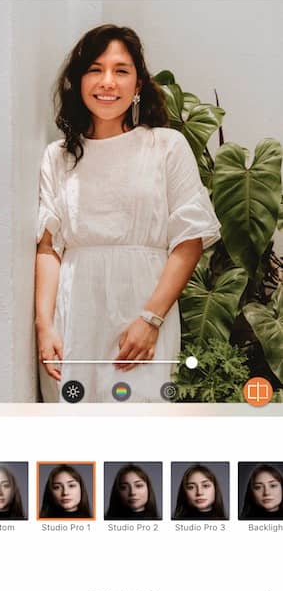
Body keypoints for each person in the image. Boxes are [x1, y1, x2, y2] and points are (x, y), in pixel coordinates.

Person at [36, 24, 220, 403]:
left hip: (142, 309)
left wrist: (150, 320)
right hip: (76, 315)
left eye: (121, 71)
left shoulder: (166, 146)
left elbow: (190, 239)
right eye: (95, 69)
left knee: (139, 439)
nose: (107, 82)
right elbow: (49, 247)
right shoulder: (58, 156)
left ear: (138, 85)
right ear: (78, 80)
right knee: (74, 443)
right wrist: (45, 326)